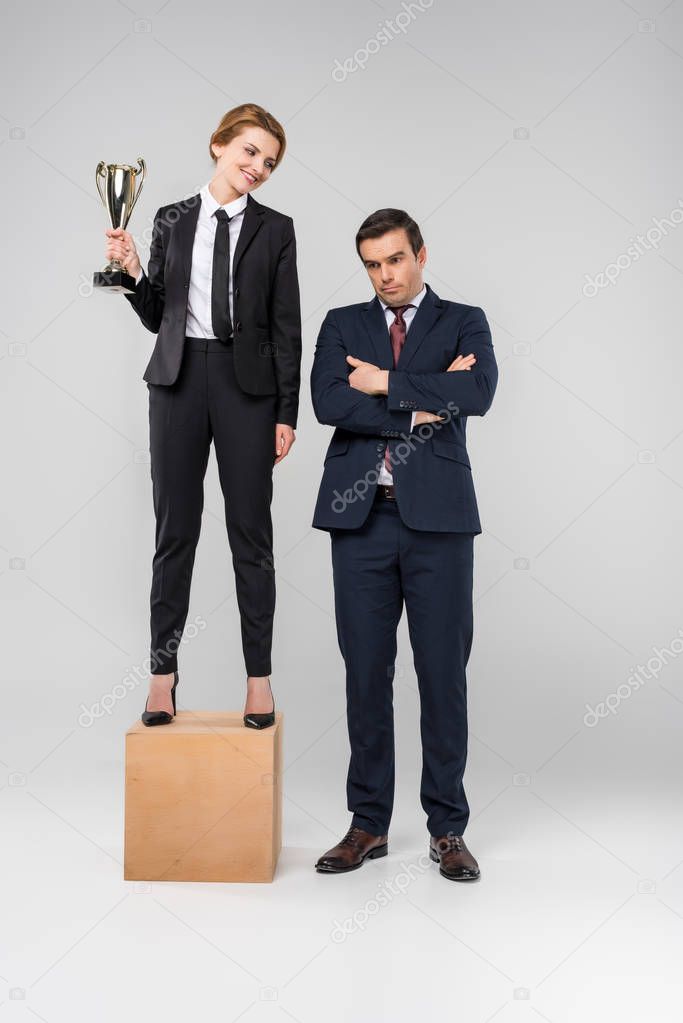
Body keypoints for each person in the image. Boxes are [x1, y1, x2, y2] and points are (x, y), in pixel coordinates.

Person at [310, 208, 497, 881]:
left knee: (441, 675)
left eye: (394, 259)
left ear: (419, 252)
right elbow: (328, 402)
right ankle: (367, 824)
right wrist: (425, 400)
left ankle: (447, 829)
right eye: (372, 264)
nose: (385, 275)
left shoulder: (463, 320)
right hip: (359, 519)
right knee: (365, 674)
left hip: (439, 522)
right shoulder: (341, 325)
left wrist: (385, 382)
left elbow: (477, 390)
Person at [104, 103, 301, 730]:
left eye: (268, 162)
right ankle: (162, 678)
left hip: (249, 388)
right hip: (178, 379)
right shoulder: (171, 218)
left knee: (252, 535)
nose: (258, 167)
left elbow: (287, 324)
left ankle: (259, 682)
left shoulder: (276, 229)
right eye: (249, 152)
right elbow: (156, 311)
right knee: (175, 533)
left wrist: (287, 411)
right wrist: (134, 271)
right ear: (219, 145)